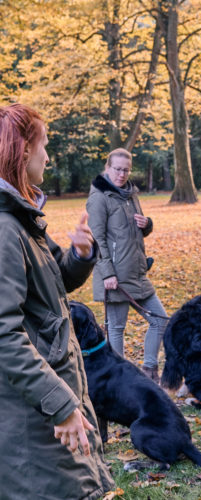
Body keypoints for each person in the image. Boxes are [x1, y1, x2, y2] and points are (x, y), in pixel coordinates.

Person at [0, 103, 114, 499]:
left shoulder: (22, 219)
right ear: (23, 149)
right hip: (32, 415)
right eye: (44, 144)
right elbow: (4, 335)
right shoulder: (4, 229)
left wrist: (80, 255)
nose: (49, 155)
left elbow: (53, 284)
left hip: (47, 400)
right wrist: (60, 405)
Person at [86, 148, 168, 383]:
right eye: (117, 169)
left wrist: (147, 224)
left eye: (126, 169)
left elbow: (136, 231)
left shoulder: (131, 194)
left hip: (137, 273)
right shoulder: (99, 198)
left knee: (160, 320)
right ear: (107, 168)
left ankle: (149, 372)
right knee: (117, 329)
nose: (122, 174)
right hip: (115, 278)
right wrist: (107, 274)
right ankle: (118, 379)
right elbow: (97, 239)